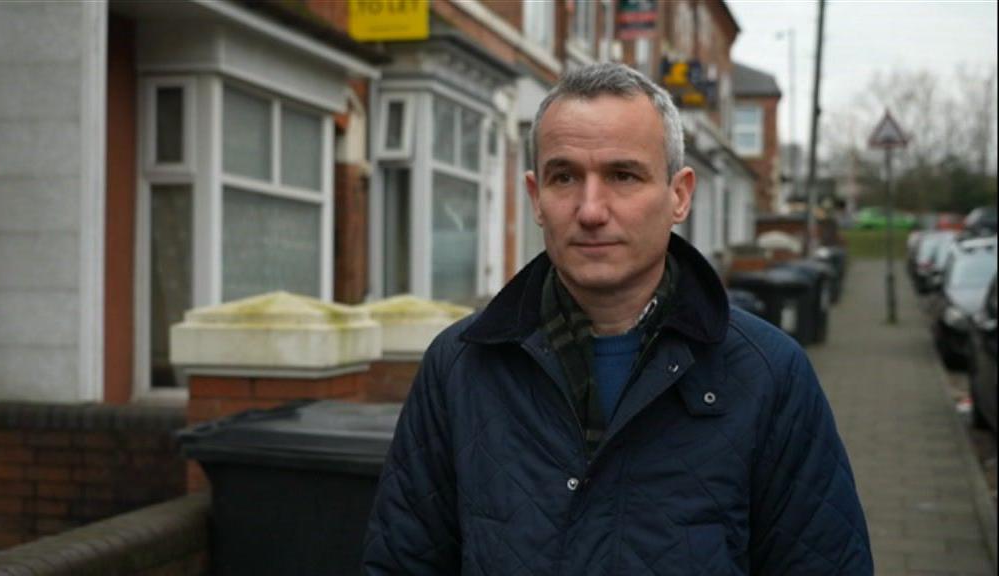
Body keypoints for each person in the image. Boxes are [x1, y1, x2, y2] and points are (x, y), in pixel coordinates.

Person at [363, 62, 872, 575]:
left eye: (622, 175)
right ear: (537, 198)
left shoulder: (768, 375)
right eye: (565, 177)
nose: (590, 209)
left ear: (679, 195)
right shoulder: (460, 368)